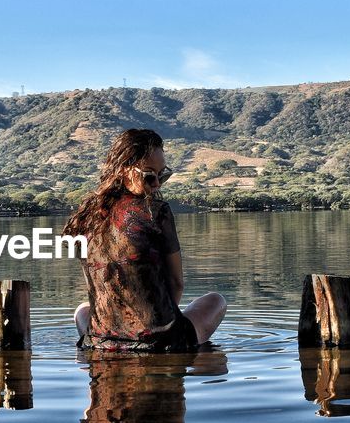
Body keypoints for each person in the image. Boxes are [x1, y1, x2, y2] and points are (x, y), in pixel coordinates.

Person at [62, 128, 227, 352]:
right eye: (149, 175)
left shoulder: (86, 217)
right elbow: (177, 283)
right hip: (160, 340)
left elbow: (98, 286)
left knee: (82, 310)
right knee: (216, 301)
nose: (157, 184)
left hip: (100, 340)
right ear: (124, 170)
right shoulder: (156, 211)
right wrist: (158, 329)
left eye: (162, 175)